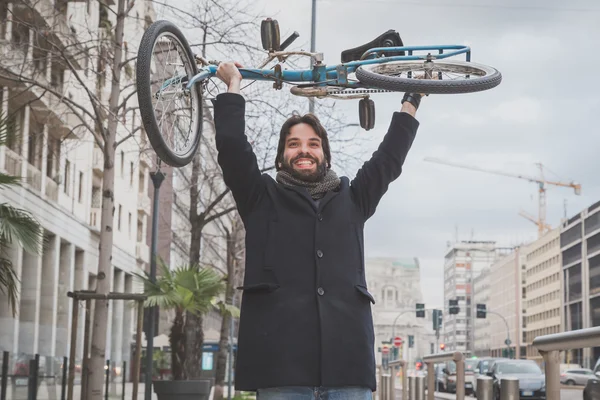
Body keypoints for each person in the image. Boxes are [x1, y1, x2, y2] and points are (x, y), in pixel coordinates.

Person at [213, 62, 422, 400]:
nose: (304, 150)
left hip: (348, 366)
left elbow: (388, 159)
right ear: (282, 157)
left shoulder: (354, 199)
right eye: (293, 144)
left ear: (324, 153)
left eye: (312, 144)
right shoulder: (260, 198)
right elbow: (232, 148)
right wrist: (232, 86)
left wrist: (413, 99)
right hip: (280, 367)